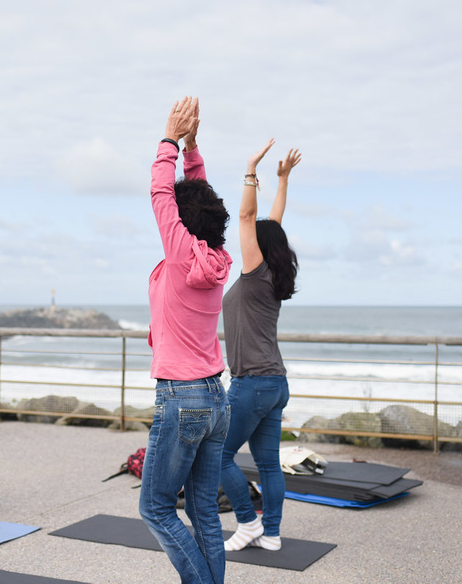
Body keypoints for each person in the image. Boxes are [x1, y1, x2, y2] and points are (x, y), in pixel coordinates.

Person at [138, 97, 232, 584]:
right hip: (216, 398)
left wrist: (170, 140)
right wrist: (193, 150)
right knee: (205, 514)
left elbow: (160, 195)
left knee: (154, 509)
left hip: (182, 397)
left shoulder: (180, 257)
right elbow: (197, 201)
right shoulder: (216, 259)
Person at [219, 139, 301, 552]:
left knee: (217, 455)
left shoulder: (254, 272)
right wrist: (282, 181)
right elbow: (272, 222)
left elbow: (251, 215)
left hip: (252, 383)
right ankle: (272, 533)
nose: (245, 236)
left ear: (259, 247)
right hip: (275, 383)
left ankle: (249, 523)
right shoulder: (272, 274)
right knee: (267, 462)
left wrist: (251, 170)